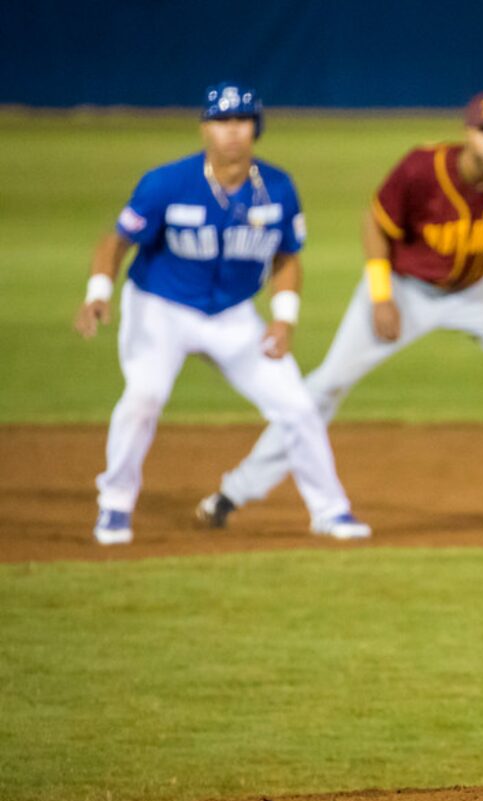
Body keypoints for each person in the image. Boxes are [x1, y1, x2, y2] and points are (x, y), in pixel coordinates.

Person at [197, 91, 483, 530]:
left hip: (475, 292)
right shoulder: (422, 169)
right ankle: (232, 492)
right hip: (405, 289)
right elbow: (374, 222)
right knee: (329, 381)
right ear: (468, 132)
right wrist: (381, 293)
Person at [75, 82, 370, 545]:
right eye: (221, 121)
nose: (232, 131)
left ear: (256, 128)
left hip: (233, 317)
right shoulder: (167, 183)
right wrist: (99, 290)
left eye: (241, 121)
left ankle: (330, 512)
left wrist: (284, 317)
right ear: (204, 128)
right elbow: (117, 241)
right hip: (159, 308)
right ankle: (113, 506)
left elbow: (287, 256)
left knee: (296, 405)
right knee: (144, 397)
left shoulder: (277, 188)